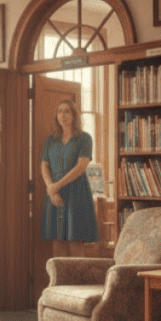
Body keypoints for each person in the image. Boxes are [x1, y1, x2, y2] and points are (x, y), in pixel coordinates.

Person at [41, 98, 98, 258]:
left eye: (67, 111)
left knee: (75, 245)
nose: (63, 115)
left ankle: (78, 283)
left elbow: (81, 166)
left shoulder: (84, 138)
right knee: (57, 245)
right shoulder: (50, 140)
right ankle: (59, 283)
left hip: (77, 195)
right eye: (59, 111)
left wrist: (56, 186)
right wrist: (51, 189)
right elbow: (44, 166)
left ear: (74, 115)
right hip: (55, 196)